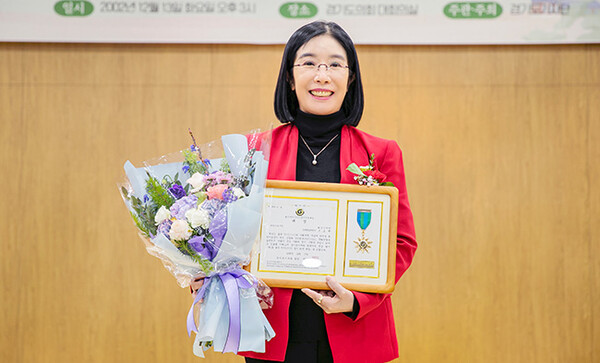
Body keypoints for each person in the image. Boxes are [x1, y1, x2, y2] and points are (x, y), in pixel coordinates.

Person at [192, 20, 417, 363]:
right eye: (309, 63)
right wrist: (209, 270)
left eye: (335, 64)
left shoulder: (381, 152)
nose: (322, 75)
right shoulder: (254, 150)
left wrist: (358, 301)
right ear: (289, 76)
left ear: (350, 77)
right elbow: (226, 233)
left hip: (354, 332)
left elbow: (401, 243)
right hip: (271, 332)